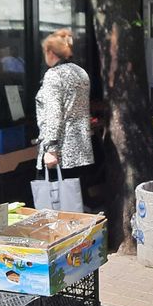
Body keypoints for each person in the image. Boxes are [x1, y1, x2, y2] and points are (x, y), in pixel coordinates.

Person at [35, 29, 94, 199]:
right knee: (75, 203)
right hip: (79, 151)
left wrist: (51, 149)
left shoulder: (54, 75)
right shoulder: (80, 72)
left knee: (55, 206)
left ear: (50, 52)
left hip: (60, 153)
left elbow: (54, 113)